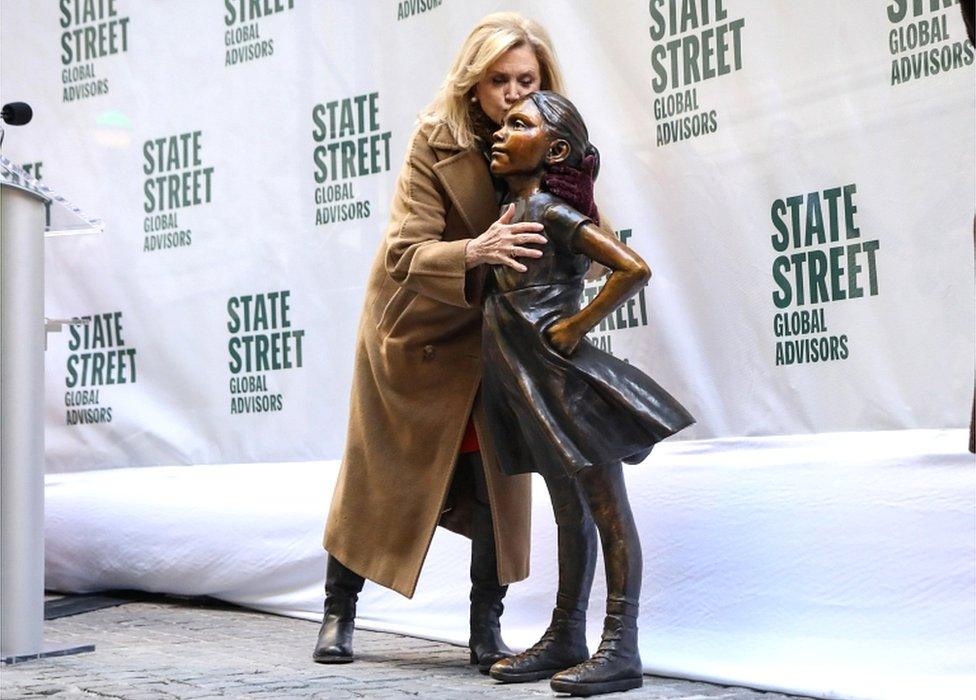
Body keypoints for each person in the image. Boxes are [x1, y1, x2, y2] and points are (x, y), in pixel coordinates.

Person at [314, 13, 584, 672]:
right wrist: (478, 248)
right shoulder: (435, 140)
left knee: (498, 478)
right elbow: (407, 251)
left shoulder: (555, 144)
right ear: (474, 81)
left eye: (527, 80)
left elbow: (572, 237)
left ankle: (484, 629)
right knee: (377, 477)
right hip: (420, 327)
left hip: (497, 336)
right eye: (500, 81)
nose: (514, 94)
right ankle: (337, 610)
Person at [481, 91, 695, 695]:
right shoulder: (512, 211)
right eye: (502, 122)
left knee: (607, 510)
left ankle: (620, 645)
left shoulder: (550, 211)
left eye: (518, 124)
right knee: (568, 508)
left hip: (566, 384)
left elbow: (633, 267)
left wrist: (574, 326)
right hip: (532, 386)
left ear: (555, 150)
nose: (500, 132)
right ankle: (566, 635)